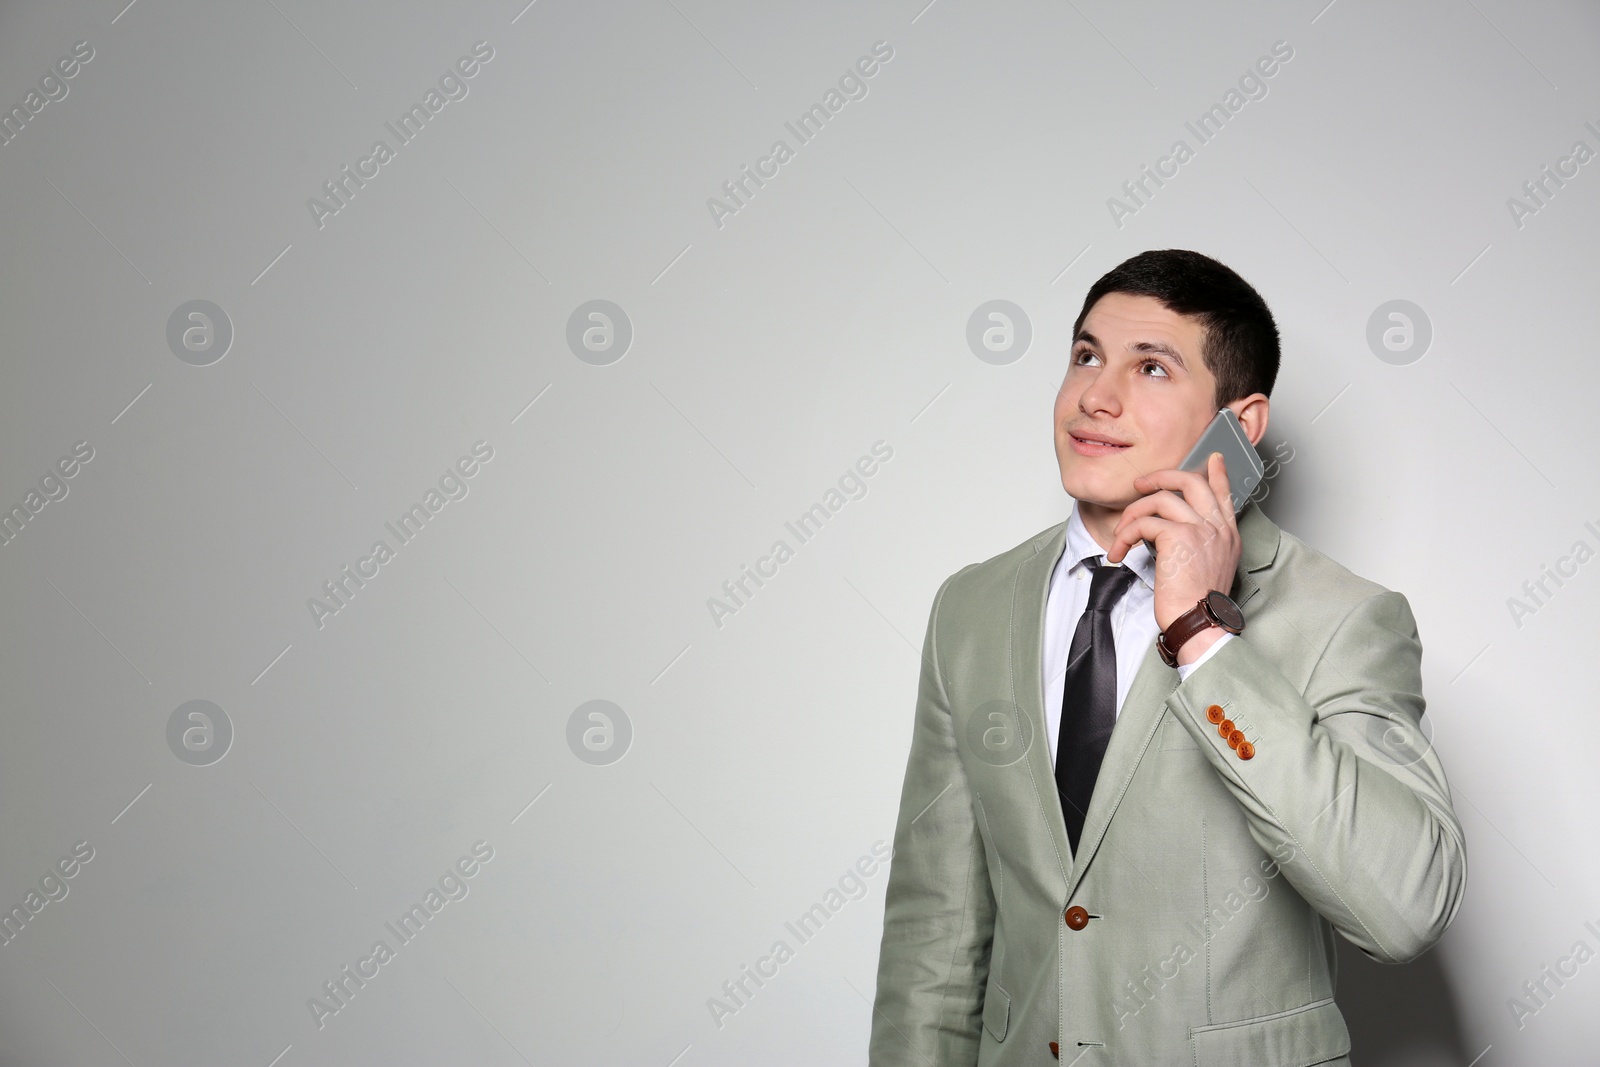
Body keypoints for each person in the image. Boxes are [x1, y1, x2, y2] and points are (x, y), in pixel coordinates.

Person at [868, 249, 1467, 1066]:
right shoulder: (970, 607)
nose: (1095, 395)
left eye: (1150, 367)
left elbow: (1403, 908)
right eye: (1086, 355)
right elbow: (932, 936)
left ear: (1241, 424)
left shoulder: (1344, 617)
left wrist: (1205, 636)